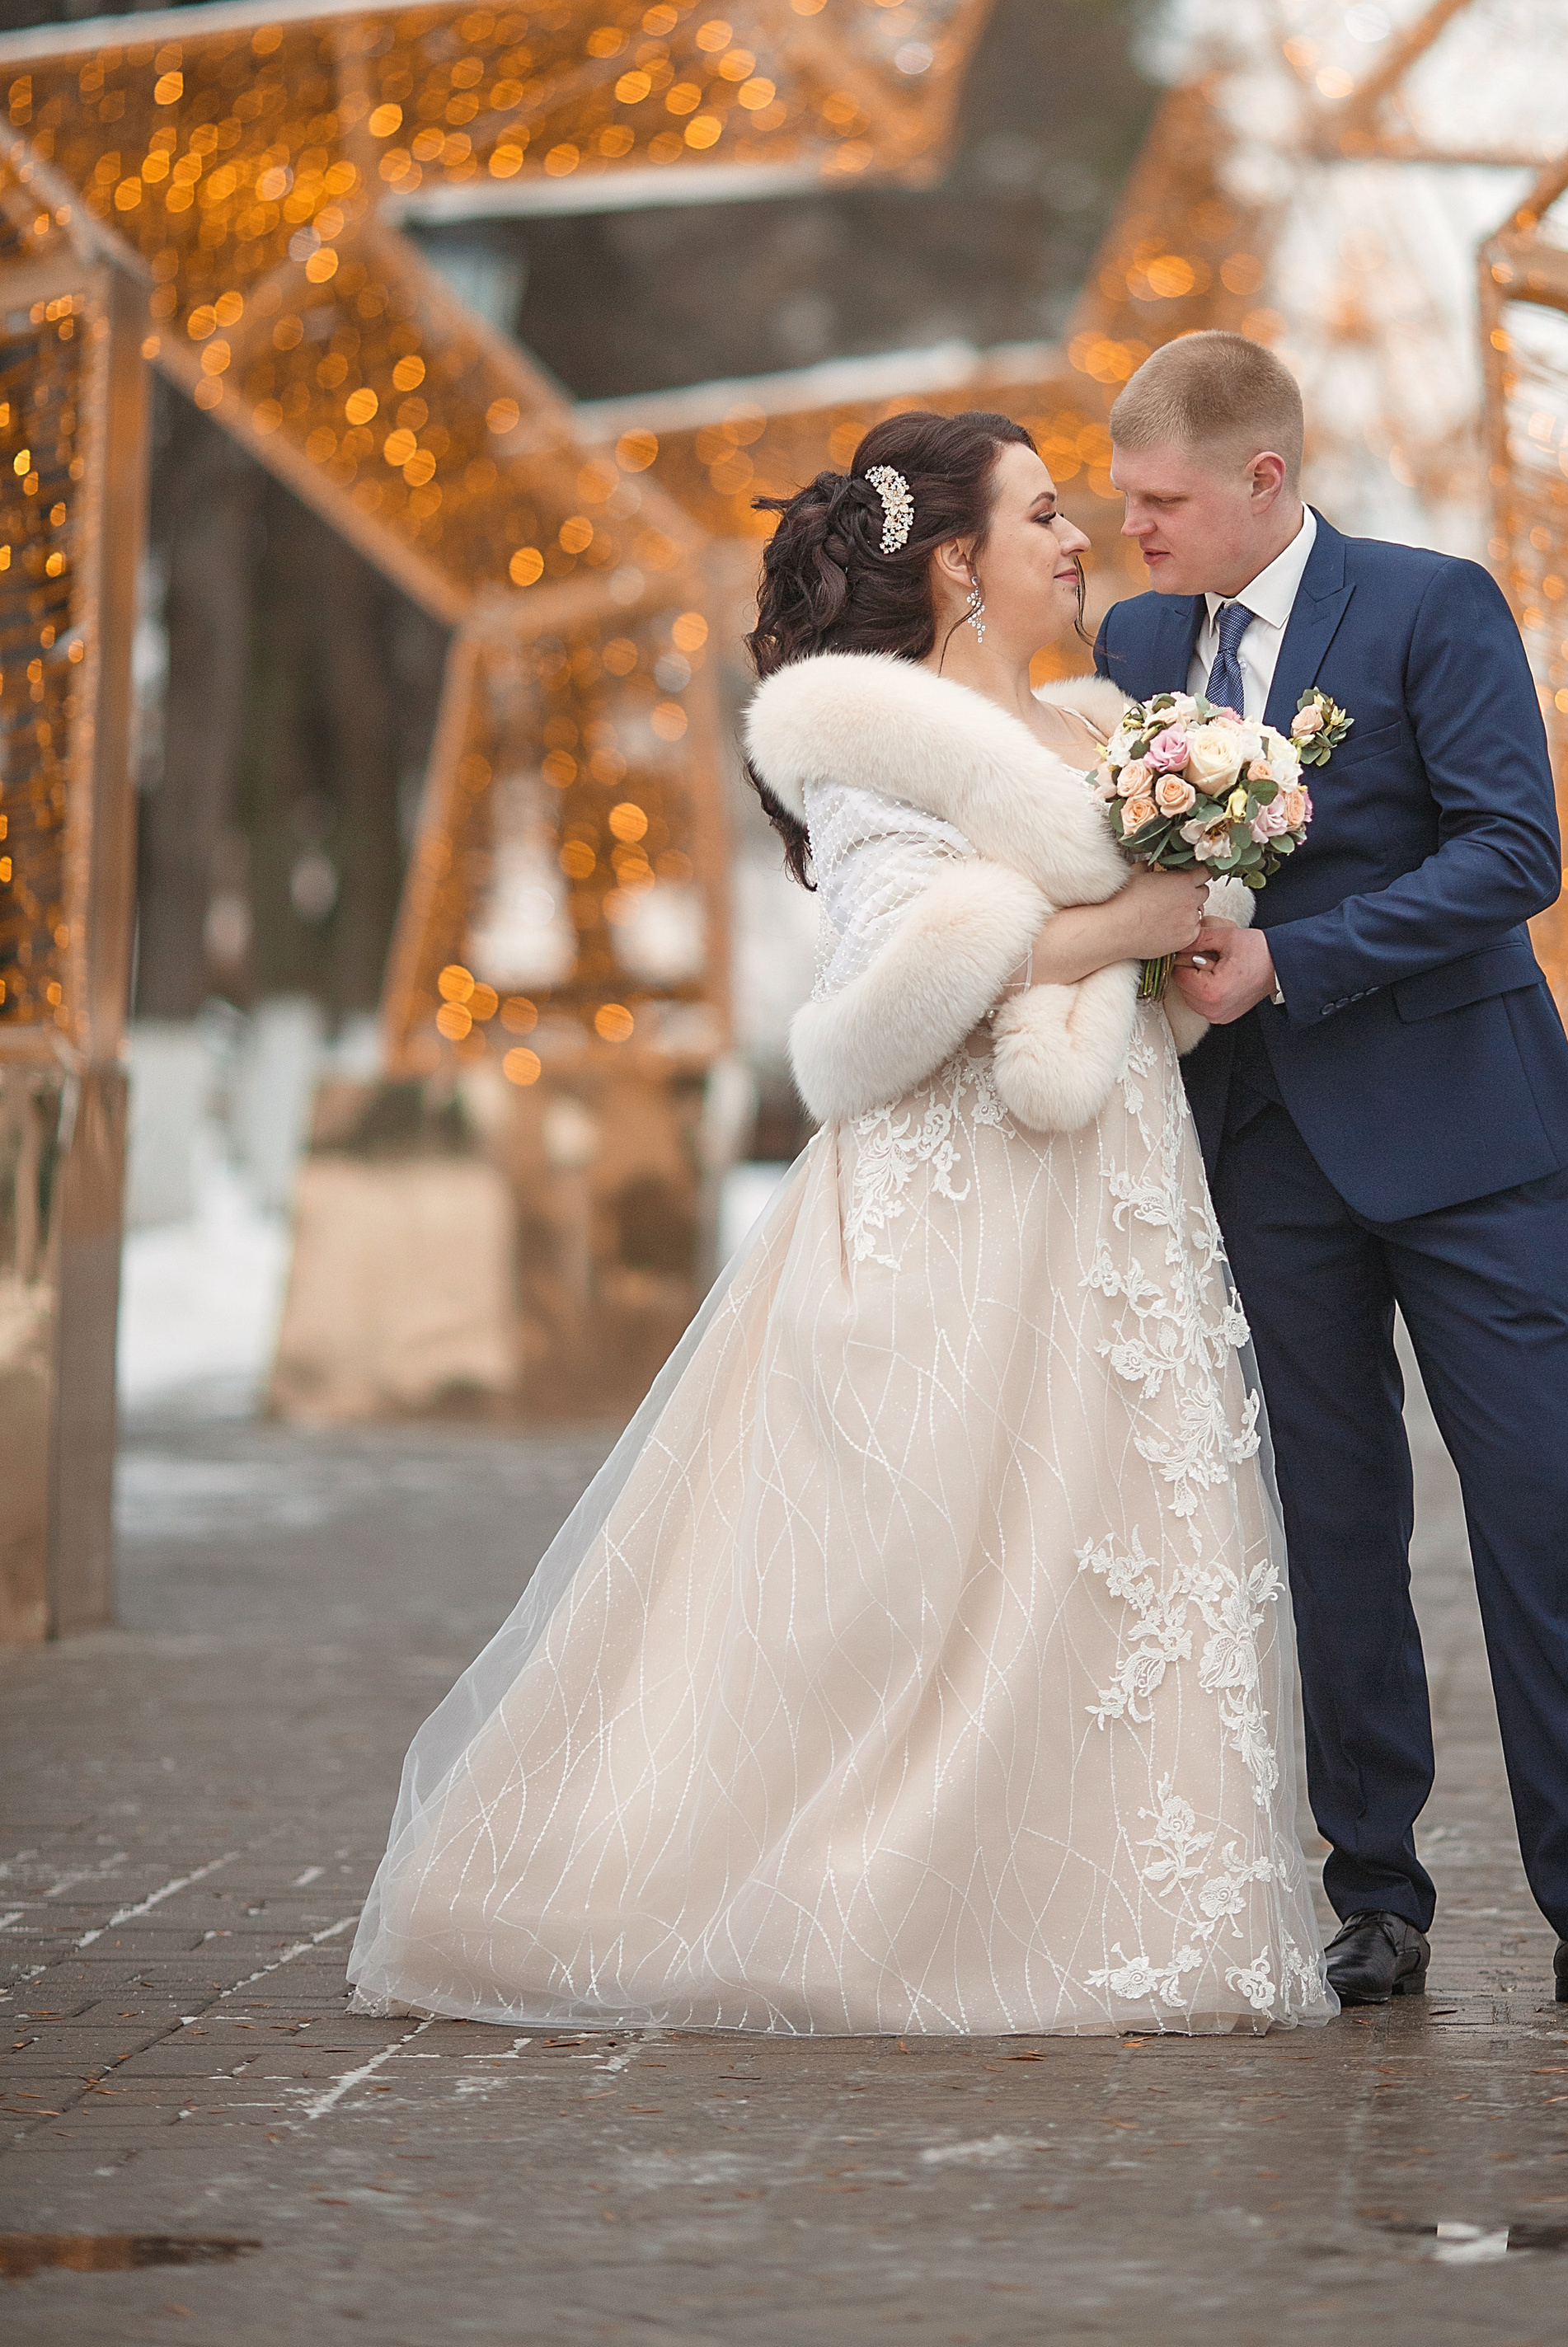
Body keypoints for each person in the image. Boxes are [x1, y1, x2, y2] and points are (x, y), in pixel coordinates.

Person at [347, 409, 1331, 2039]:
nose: (1076, 538)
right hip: (953, 1207)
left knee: (1109, 1554)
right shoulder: (878, 741)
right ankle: (855, 1899)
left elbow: (1125, 970)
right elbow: (890, 992)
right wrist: (1122, 923)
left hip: (1110, 1190)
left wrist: (1185, 930)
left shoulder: (1102, 729)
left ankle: (1123, 1906)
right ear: (955, 563)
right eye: (1040, 515)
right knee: (911, 1573)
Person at [1095, 332, 1568, 2017]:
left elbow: (1514, 852)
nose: (1134, 528)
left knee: (1543, 1515)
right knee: (1333, 1525)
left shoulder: (1434, 607)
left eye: (1159, 500)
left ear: (1263, 479)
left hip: (1470, 1139)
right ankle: (1372, 1894)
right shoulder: (1136, 643)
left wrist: (1293, 961)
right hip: (1263, 1151)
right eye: (1125, 499)